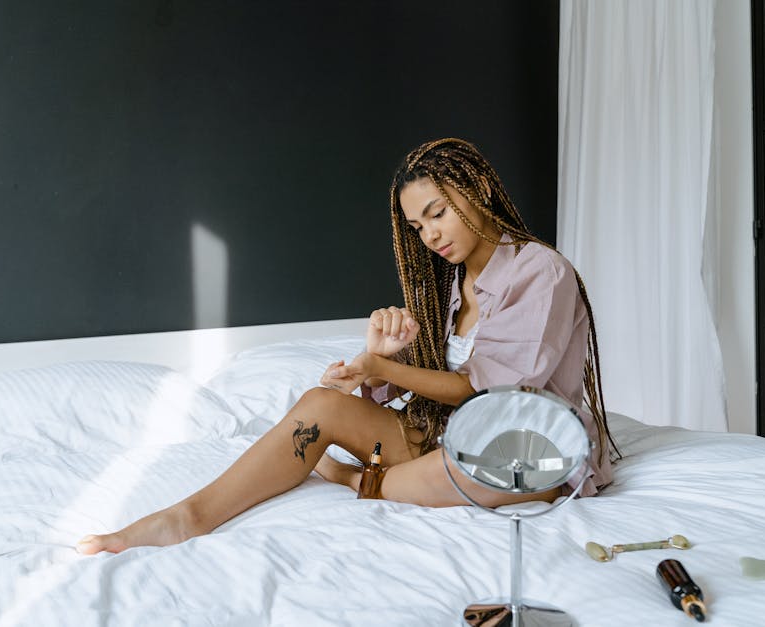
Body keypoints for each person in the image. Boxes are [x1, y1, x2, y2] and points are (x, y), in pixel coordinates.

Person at [76, 137, 618, 555]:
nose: (429, 235)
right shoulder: (452, 284)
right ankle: (188, 515)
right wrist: (381, 369)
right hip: (454, 435)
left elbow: (488, 391)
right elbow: (437, 390)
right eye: (416, 226)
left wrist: (382, 367)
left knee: (473, 469)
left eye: (438, 213)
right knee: (320, 405)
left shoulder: (540, 271)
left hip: (525, 446)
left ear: (476, 192)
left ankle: (355, 478)